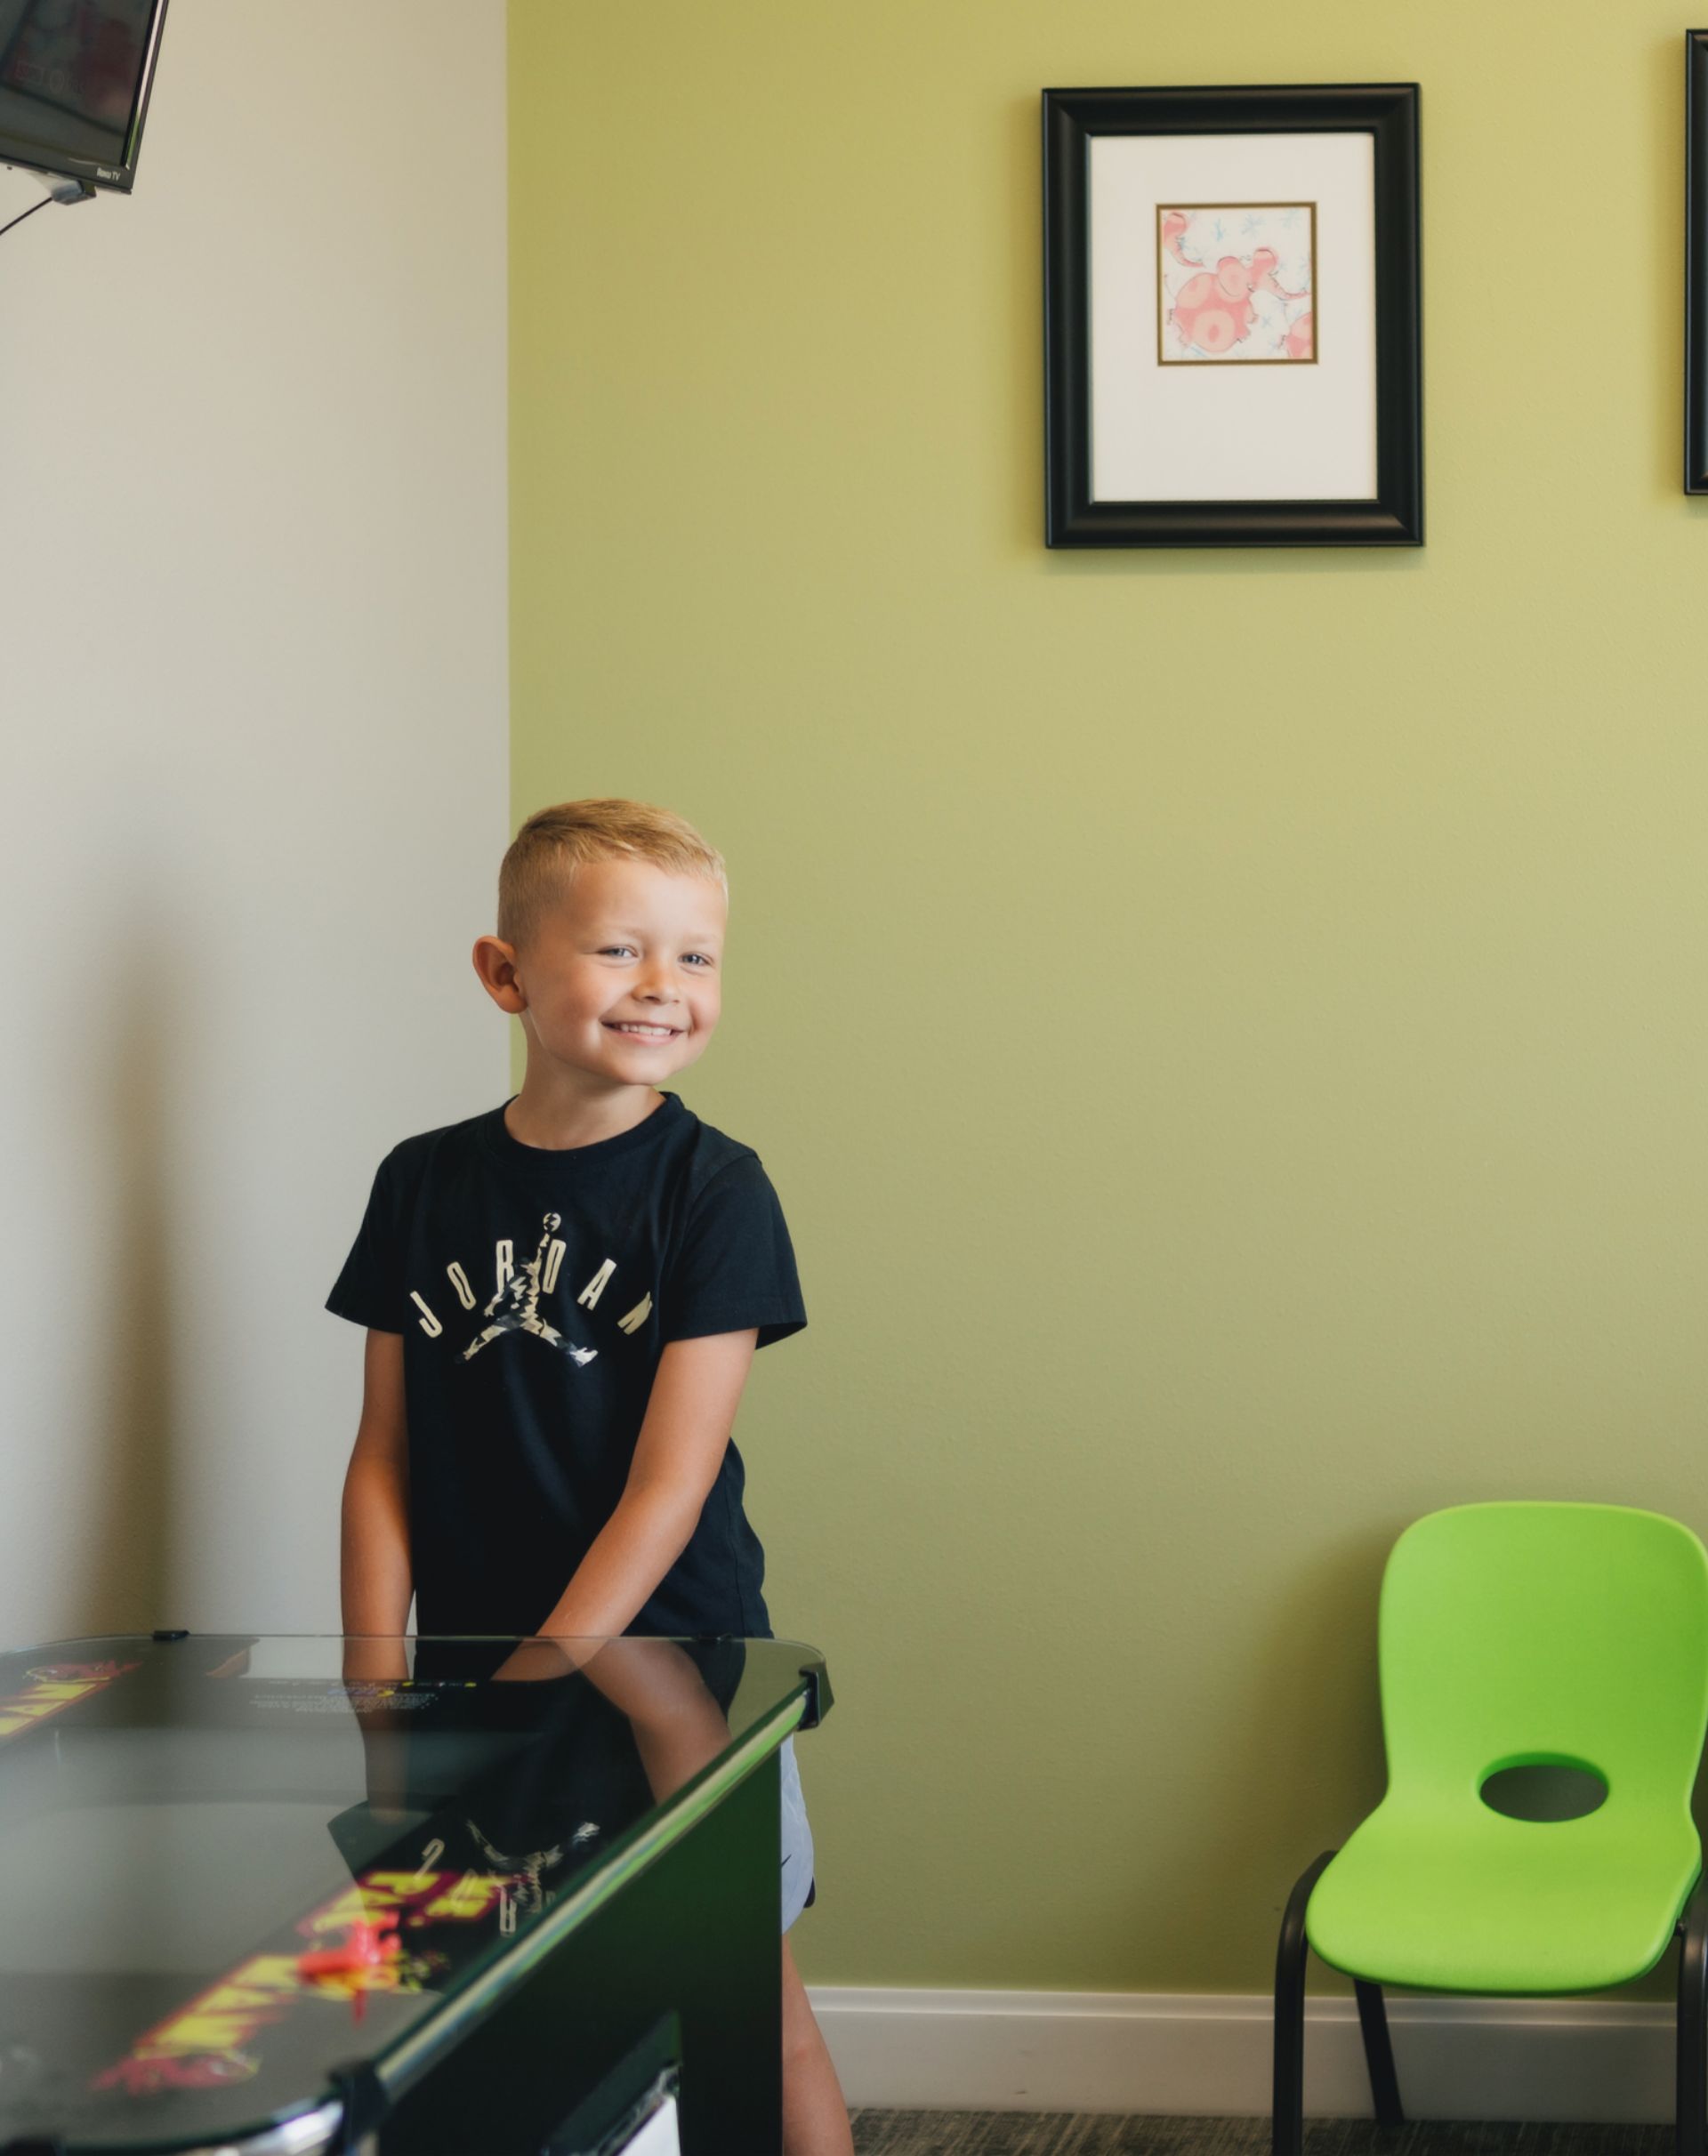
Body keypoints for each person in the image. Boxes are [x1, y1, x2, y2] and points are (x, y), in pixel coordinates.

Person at [327, 797, 853, 2155]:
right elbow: (381, 1452)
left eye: (697, 958)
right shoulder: (422, 1183)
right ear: (505, 974)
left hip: (671, 1667)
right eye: (621, 950)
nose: (664, 989)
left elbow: (669, 1485)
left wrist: (542, 1675)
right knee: (474, 2001)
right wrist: (376, 1677)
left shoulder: (715, 1190)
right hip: (473, 1672)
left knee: (746, 1990)